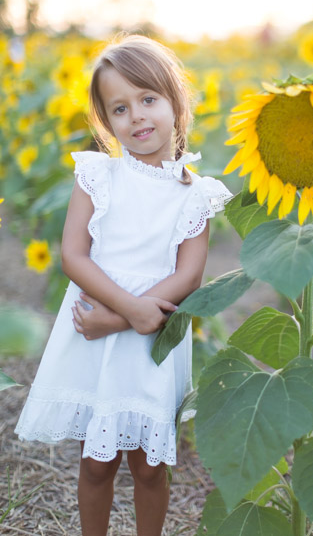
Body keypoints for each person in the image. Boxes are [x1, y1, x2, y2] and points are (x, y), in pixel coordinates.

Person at [15, 34, 232, 536]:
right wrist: (125, 309)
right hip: (96, 328)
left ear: (176, 102)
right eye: (119, 108)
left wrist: (122, 317)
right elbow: (73, 255)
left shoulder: (195, 195)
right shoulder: (97, 176)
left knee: (148, 467)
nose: (136, 116)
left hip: (145, 334)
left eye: (148, 99)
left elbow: (188, 275)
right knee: (96, 462)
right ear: (105, 121)